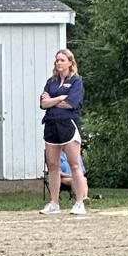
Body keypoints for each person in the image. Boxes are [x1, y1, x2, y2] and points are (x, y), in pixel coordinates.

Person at [39, 48, 88, 216]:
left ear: (70, 62)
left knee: (74, 164)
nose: (58, 63)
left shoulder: (76, 81)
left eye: (62, 60)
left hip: (68, 124)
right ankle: (54, 203)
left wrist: (53, 101)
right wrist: (60, 98)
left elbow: (71, 103)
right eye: (57, 60)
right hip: (51, 124)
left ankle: (80, 202)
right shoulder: (51, 82)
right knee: (53, 166)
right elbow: (43, 104)